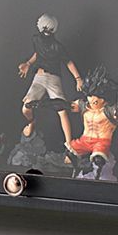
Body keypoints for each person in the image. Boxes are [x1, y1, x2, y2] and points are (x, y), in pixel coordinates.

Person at [18, 14, 83, 146]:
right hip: (39, 78)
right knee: (26, 107)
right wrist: (28, 64)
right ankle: (31, 122)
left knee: (62, 110)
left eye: (50, 29)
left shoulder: (58, 47)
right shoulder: (36, 39)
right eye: (45, 29)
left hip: (53, 78)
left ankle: (69, 144)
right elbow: (38, 53)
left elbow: (69, 62)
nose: (47, 32)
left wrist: (78, 78)